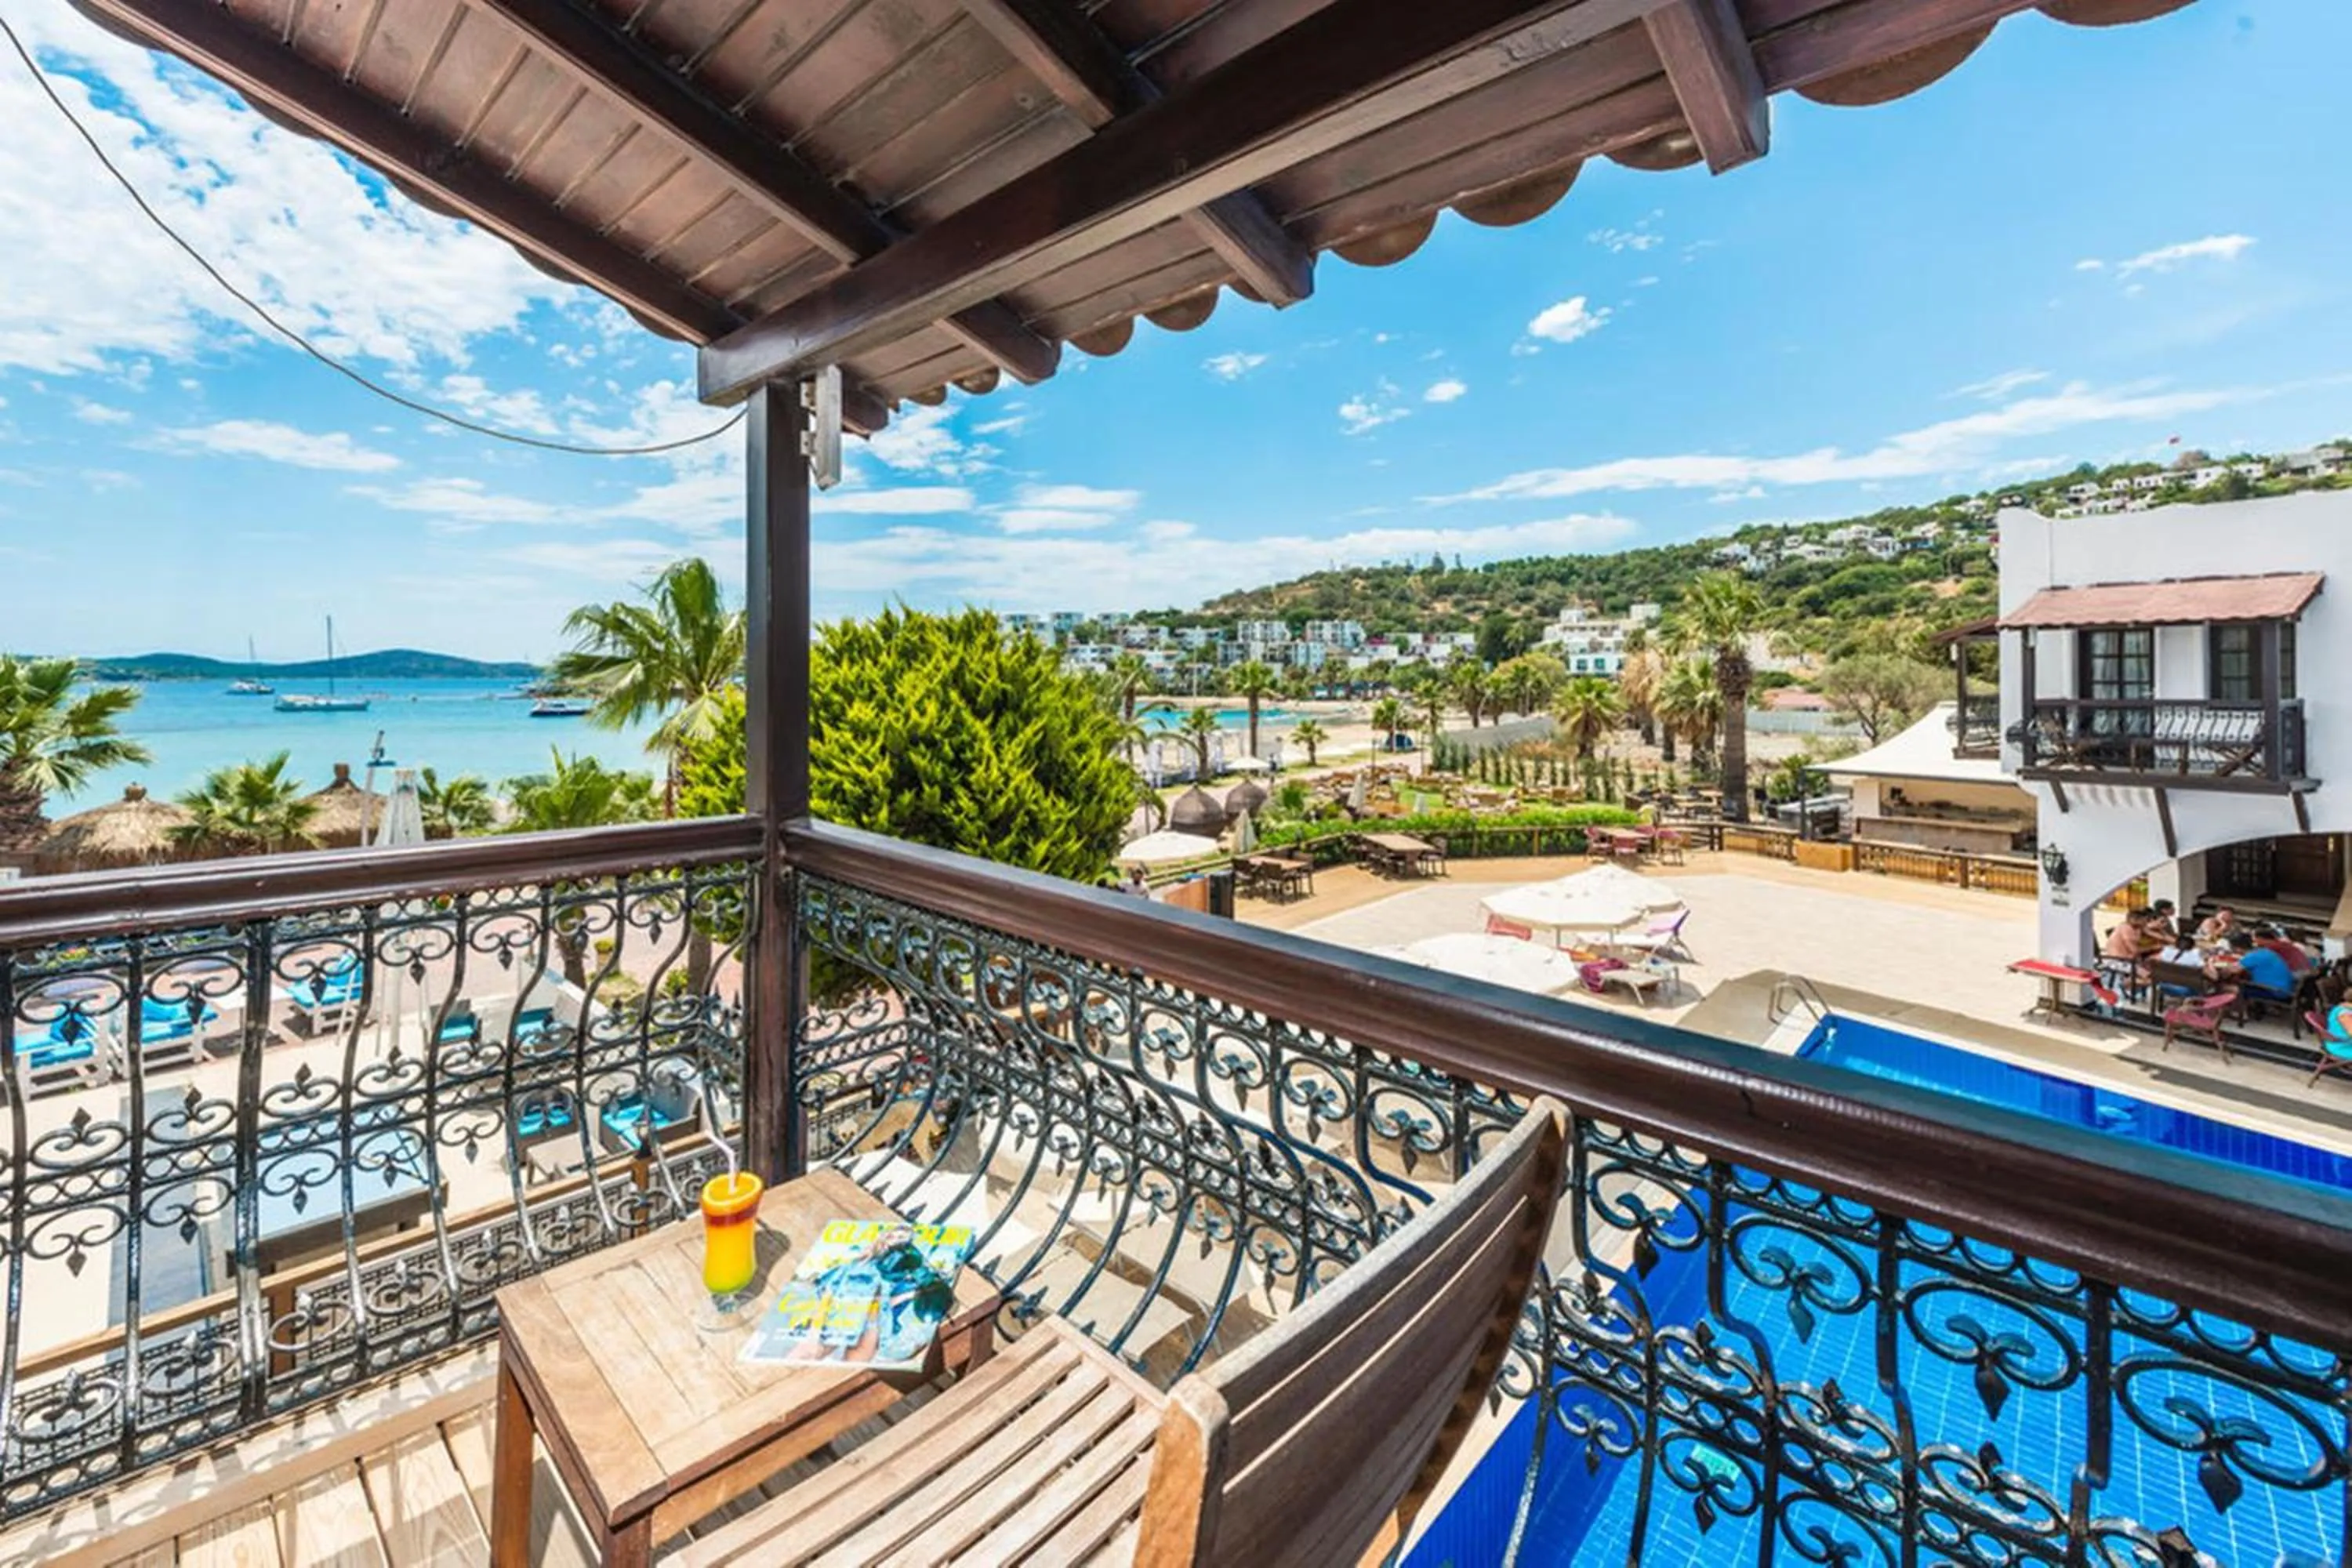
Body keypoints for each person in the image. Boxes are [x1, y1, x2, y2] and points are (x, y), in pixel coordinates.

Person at [2229, 932, 2296, 1003]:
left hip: (2274, 993)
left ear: (2237, 948)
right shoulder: (2266, 952)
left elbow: (2231, 971)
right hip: (2286, 991)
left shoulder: (2253, 956)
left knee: (2231, 989)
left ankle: (2237, 1012)